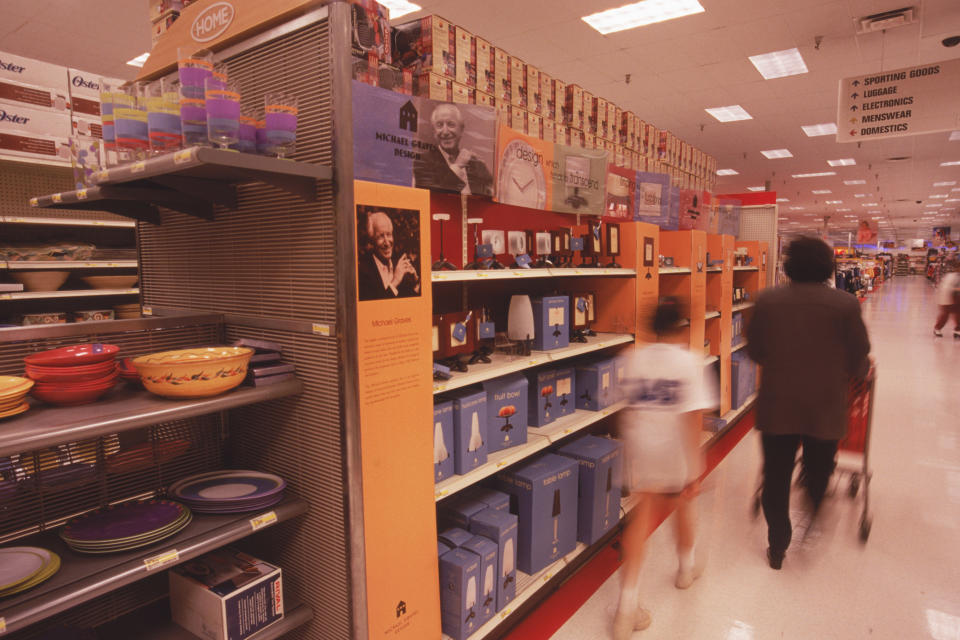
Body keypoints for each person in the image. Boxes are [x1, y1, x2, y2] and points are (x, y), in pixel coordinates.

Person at [746, 236, 871, 570]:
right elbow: (859, 358)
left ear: (789, 265)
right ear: (827, 266)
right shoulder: (845, 304)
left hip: (778, 406)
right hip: (825, 408)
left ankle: (778, 545)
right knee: (818, 469)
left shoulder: (767, 300)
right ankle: (813, 513)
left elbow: (755, 350)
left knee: (775, 475)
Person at [612, 300, 717, 639]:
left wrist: (630, 456)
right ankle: (685, 570)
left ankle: (626, 609)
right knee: (684, 505)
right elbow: (691, 417)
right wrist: (692, 470)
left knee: (641, 520)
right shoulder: (689, 362)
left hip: (643, 445)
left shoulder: (633, 358)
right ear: (681, 328)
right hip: (673, 448)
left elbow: (627, 410)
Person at [413, 103, 493, 196]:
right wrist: (458, 166)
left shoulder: (476, 164)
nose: (445, 132)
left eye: (451, 124)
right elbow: (435, 198)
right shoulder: (422, 162)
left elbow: (489, 195)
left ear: (461, 130)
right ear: (434, 132)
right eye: (439, 125)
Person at [357, 211, 420, 300]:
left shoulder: (398, 266)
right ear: (372, 241)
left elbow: (408, 306)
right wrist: (395, 282)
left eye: (389, 234)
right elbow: (375, 309)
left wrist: (415, 284)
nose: (387, 242)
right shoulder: (363, 272)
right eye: (380, 236)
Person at [933, 260, 960, 338]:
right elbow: (945, 288)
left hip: (957, 298)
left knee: (958, 315)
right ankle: (937, 328)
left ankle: (957, 330)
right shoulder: (951, 276)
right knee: (945, 315)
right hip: (948, 298)